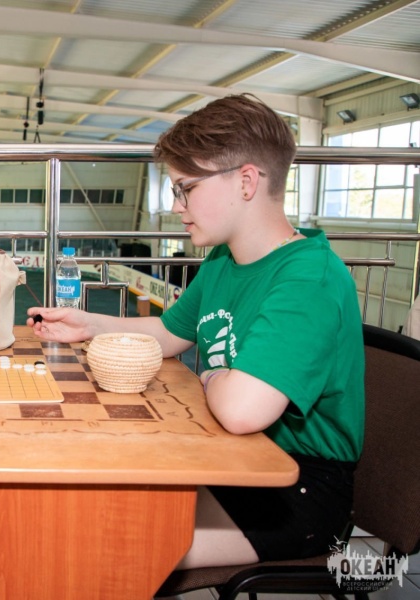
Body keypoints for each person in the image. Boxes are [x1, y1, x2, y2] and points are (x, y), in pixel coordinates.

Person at [28, 94, 364, 569]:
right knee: (81, 495)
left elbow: (241, 411)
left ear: (246, 181)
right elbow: (170, 334)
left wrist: (209, 375)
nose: (176, 206)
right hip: (228, 456)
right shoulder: (224, 259)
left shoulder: (309, 279)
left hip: (295, 488)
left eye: (186, 188)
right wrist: (89, 325)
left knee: (99, 549)